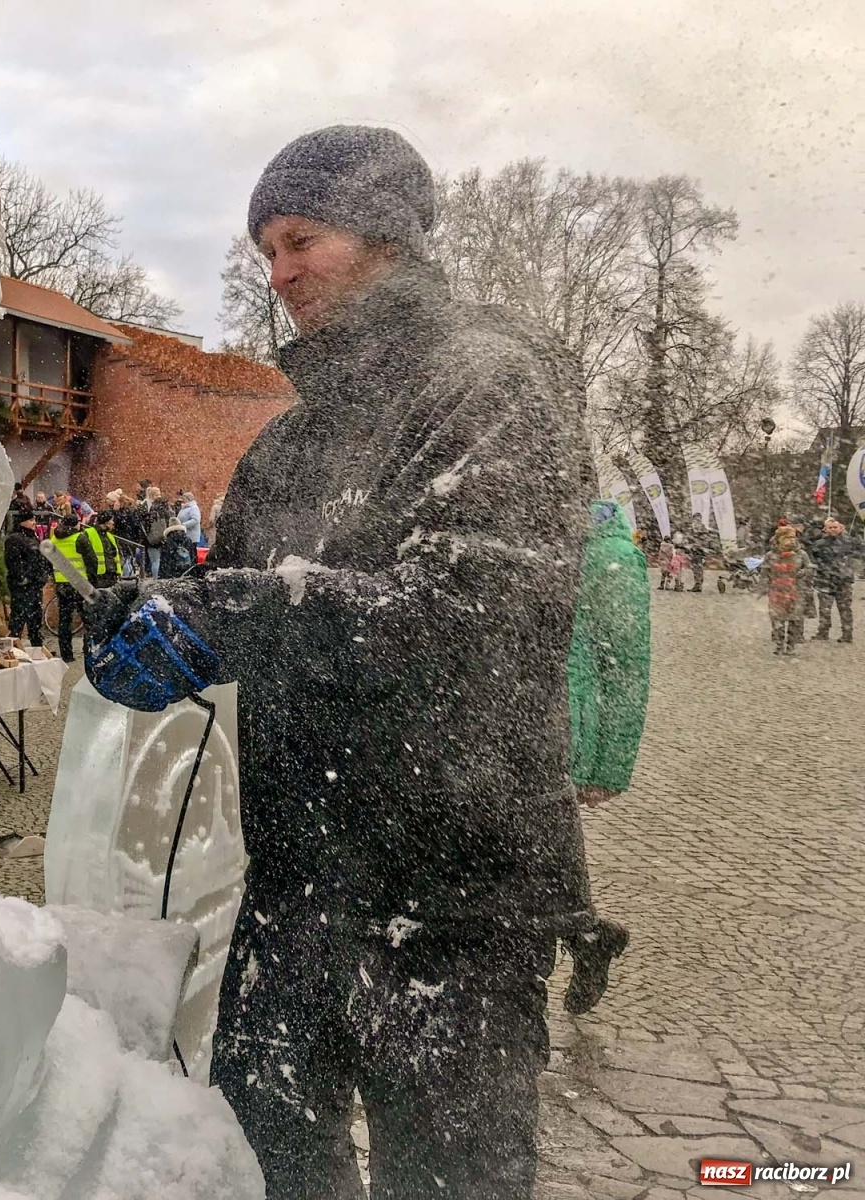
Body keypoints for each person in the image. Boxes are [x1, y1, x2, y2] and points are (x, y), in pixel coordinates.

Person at [83, 125, 591, 1199]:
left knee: (445, 1182)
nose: (279, 274)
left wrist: (231, 620)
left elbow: (475, 619)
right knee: (267, 1166)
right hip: (298, 888)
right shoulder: (289, 437)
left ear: (386, 234)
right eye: (265, 250)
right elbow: (233, 589)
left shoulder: (490, 385)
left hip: (453, 899)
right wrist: (142, 615)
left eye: (301, 239)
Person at [561, 501, 651, 1013]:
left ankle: (585, 934)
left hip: (568, 732)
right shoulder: (527, 530)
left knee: (529, 849)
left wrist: (608, 766)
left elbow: (626, 665)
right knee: (518, 855)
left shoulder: (611, 555)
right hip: (513, 723)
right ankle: (587, 934)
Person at [761, 524, 813, 656]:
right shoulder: (771, 555)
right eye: (788, 537)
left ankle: (790, 645)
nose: (792, 540)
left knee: (794, 619)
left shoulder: (801, 554)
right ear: (779, 539)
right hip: (777, 591)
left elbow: (809, 568)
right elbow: (765, 571)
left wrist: (803, 572)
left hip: (795, 590)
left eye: (793, 537)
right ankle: (779, 644)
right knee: (777, 618)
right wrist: (763, 587)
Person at [3, 513, 50, 647]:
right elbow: (13, 561)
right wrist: (23, 578)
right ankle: (14, 645)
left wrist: (41, 577)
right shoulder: (15, 539)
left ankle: (36, 645)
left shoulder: (32, 537)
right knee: (19, 615)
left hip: (35, 584)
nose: (34, 522)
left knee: (35, 617)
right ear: (21, 522)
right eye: (30, 520)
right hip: (24, 585)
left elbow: (38, 560)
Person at [47, 514, 88, 663]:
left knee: (64, 619)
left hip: (62, 583)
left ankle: (66, 654)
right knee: (87, 618)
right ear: (75, 524)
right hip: (80, 582)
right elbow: (90, 561)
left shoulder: (53, 540)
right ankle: (88, 650)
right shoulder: (80, 538)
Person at [811, 516, 858, 643]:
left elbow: (858, 553)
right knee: (824, 608)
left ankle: (847, 634)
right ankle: (823, 631)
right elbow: (814, 559)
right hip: (825, 580)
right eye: (830, 527)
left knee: (845, 608)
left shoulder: (849, 542)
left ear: (840, 528)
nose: (833, 530)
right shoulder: (819, 544)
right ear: (825, 529)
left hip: (843, 581)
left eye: (835, 527)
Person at [77, 512, 122, 589]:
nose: (113, 523)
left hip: (110, 575)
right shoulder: (88, 533)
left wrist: (117, 571)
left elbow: (116, 555)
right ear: (106, 522)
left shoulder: (110, 536)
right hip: (98, 576)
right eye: (111, 520)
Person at [142, 485, 171, 578]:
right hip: (164, 536)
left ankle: (155, 578)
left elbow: (147, 523)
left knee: (155, 560)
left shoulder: (151, 508)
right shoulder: (165, 508)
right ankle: (160, 577)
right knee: (160, 559)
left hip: (153, 538)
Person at [684, 514, 715, 592]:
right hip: (694, 551)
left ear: (700, 519)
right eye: (694, 519)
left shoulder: (703, 529)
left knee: (698, 568)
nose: (695, 521)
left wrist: (697, 544)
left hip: (700, 552)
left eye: (697, 519)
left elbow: (705, 541)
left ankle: (698, 585)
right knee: (695, 568)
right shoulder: (693, 529)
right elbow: (689, 538)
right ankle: (697, 584)